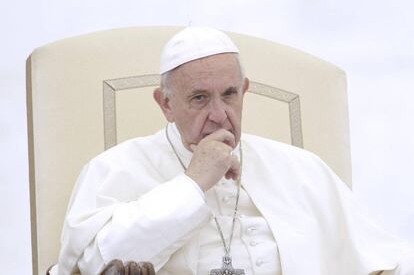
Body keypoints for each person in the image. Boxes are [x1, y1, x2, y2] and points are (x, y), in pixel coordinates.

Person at [52, 27, 414, 275]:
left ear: (244, 89)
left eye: (229, 94)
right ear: (165, 104)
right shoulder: (115, 169)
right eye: (199, 98)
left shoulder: (302, 169)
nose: (218, 115)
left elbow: (390, 257)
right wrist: (193, 184)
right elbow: (91, 265)